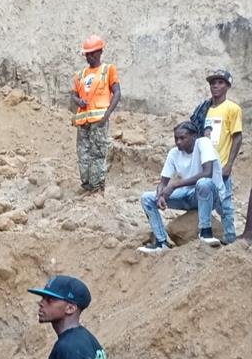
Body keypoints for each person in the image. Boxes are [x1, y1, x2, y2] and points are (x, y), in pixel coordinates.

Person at [138, 121, 226, 253]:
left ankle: (205, 233)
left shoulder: (203, 143)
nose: (178, 142)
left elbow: (207, 173)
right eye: (176, 138)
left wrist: (174, 185)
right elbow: (163, 182)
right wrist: (160, 195)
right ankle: (162, 242)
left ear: (194, 136)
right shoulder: (174, 153)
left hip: (211, 195)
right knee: (146, 198)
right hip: (189, 195)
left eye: (182, 138)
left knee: (203, 183)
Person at [190, 68, 241, 244]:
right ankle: (204, 234)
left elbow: (237, 137)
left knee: (225, 203)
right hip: (205, 165)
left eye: (220, 82)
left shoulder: (232, 109)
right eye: (213, 83)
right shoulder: (203, 110)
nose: (215, 86)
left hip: (221, 165)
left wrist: (229, 164)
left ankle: (230, 238)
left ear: (227, 85)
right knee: (203, 197)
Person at [72, 34, 121, 193]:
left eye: (92, 53)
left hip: (99, 120)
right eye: (87, 54)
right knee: (83, 153)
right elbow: (73, 94)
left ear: (100, 52)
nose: (90, 57)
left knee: (98, 153)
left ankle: (97, 187)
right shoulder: (80, 74)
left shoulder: (108, 70)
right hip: (83, 121)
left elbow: (117, 92)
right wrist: (78, 101)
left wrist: (106, 116)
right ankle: (86, 185)